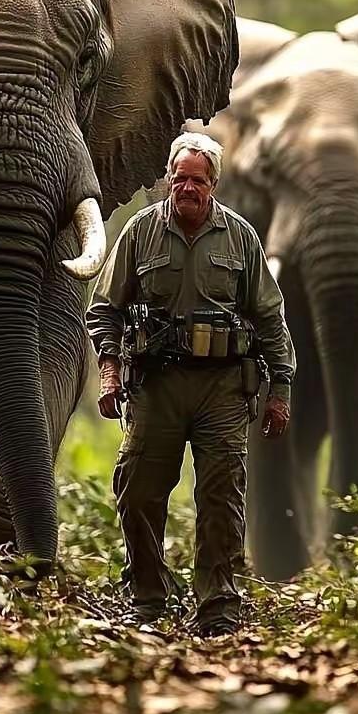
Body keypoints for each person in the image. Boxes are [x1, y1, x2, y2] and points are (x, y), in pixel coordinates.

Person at [87, 132, 295, 636]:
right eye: (178, 179)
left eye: (196, 180)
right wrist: (111, 372)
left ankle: (217, 600)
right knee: (137, 490)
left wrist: (280, 392)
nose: (186, 189)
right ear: (167, 180)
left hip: (222, 388)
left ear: (214, 185)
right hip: (155, 386)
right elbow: (104, 309)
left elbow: (270, 317)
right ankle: (148, 593)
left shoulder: (241, 237)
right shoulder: (139, 232)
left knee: (222, 495)